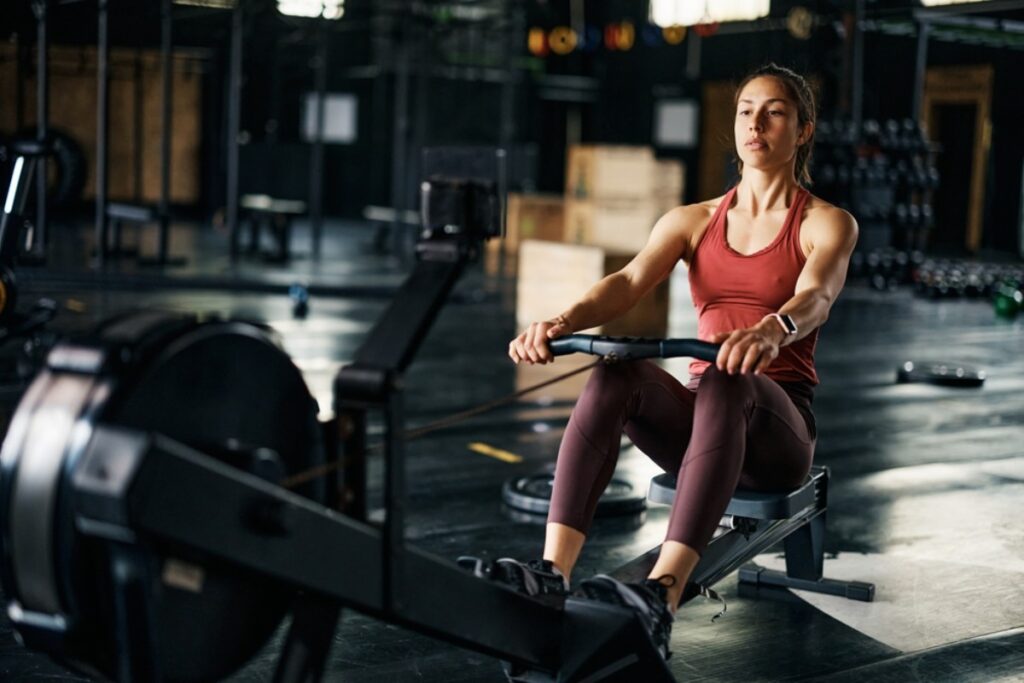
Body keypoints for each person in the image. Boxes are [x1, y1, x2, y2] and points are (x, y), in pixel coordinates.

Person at [504, 63, 858, 658]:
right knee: (616, 374)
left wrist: (774, 329)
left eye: (774, 112)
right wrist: (561, 322)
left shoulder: (825, 222)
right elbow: (627, 281)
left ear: (803, 130)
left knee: (727, 378)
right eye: (746, 110)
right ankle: (551, 574)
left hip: (777, 434)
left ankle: (661, 596)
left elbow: (817, 295)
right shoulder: (693, 220)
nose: (756, 123)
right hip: (703, 423)